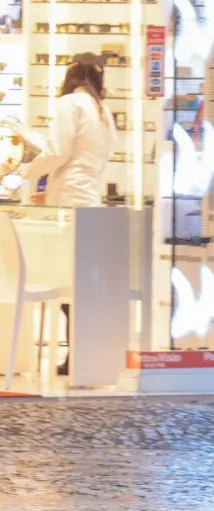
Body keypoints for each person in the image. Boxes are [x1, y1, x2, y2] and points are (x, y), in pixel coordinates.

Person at [26, 53, 116, 376]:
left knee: (66, 282)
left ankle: (74, 355)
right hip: (89, 199)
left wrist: (27, 172)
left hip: (68, 203)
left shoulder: (70, 105)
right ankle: (82, 354)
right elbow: (99, 157)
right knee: (82, 283)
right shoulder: (103, 111)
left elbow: (58, 151)